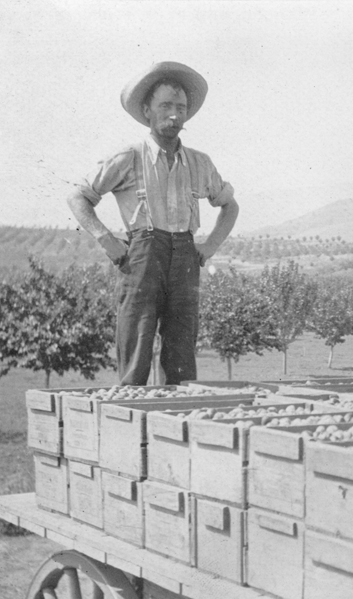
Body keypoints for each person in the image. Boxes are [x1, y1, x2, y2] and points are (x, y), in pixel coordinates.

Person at [67, 61, 238, 385]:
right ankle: (130, 426)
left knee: (182, 354)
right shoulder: (128, 157)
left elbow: (230, 206)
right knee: (136, 348)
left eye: (181, 107)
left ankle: (174, 425)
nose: (174, 115)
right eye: (165, 106)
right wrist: (107, 240)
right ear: (148, 110)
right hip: (143, 259)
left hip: (185, 260)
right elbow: (78, 197)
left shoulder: (200, 163)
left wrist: (209, 246)